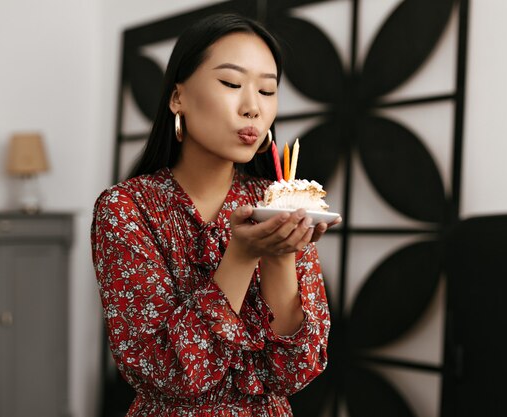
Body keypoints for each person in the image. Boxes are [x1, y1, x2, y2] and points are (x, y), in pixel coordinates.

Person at [91, 13, 340, 417]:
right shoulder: (126, 208)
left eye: (267, 90)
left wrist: (279, 256)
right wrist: (240, 257)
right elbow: (168, 373)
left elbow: (297, 370)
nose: (253, 109)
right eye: (230, 83)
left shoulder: (278, 202)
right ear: (178, 97)